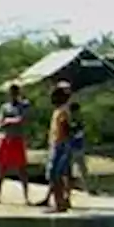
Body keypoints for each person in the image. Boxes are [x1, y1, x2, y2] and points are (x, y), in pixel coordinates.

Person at [0, 82, 31, 205]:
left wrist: (9, 120)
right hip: (6, 139)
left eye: (15, 92)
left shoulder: (23, 106)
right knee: (1, 168)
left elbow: (23, 120)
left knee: (22, 170)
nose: (13, 95)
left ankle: (26, 197)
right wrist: (11, 121)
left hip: (17, 139)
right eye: (11, 92)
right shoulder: (4, 107)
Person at [45, 82, 74, 213]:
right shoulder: (60, 110)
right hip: (59, 144)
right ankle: (60, 202)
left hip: (60, 145)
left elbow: (64, 128)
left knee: (55, 175)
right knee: (58, 175)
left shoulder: (62, 111)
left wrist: (59, 143)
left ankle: (59, 204)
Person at [68, 100, 92, 194]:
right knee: (70, 169)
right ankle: (70, 189)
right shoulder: (70, 120)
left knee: (82, 169)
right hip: (72, 148)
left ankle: (86, 188)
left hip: (78, 147)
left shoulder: (79, 120)